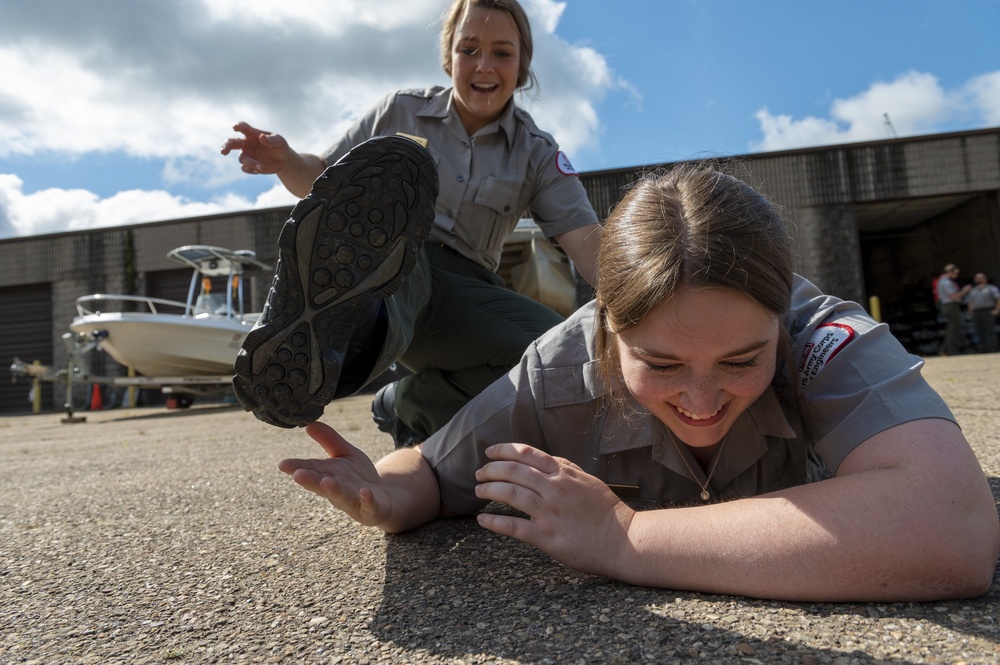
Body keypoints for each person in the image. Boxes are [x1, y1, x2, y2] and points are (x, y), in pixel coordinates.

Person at [279, 165, 1000, 602]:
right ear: (605, 332)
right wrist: (387, 494)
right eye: (659, 365)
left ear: (782, 320)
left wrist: (627, 538)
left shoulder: (821, 337)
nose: (702, 398)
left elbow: (953, 527)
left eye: (743, 359)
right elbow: (434, 470)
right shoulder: (562, 359)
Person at [221, 0, 602, 442]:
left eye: (502, 52)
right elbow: (323, 180)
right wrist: (285, 160)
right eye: (469, 49)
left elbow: (590, 246)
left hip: (466, 295)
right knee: (393, 256)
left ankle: (407, 403)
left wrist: (649, 306)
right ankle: (346, 327)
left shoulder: (537, 152)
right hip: (396, 265)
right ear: (448, 57)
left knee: (566, 360)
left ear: (522, 66)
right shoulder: (399, 111)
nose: (484, 66)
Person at [935, 263, 971, 355]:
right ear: (950, 272)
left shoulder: (942, 281)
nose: (957, 275)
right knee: (954, 328)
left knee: (953, 328)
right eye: (956, 273)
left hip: (949, 306)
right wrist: (964, 291)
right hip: (951, 306)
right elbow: (954, 296)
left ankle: (946, 349)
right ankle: (951, 350)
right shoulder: (946, 282)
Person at [966, 272, 1000, 353]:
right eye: (977, 278)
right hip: (977, 312)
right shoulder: (973, 290)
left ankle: (993, 349)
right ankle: (982, 349)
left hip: (988, 310)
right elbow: (970, 301)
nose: (978, 279)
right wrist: (971, 311)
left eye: (980, 277)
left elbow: (998, 299)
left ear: (985, 279)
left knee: (990, 331)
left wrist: (997, 309)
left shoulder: (991, 288)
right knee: (978, 331)